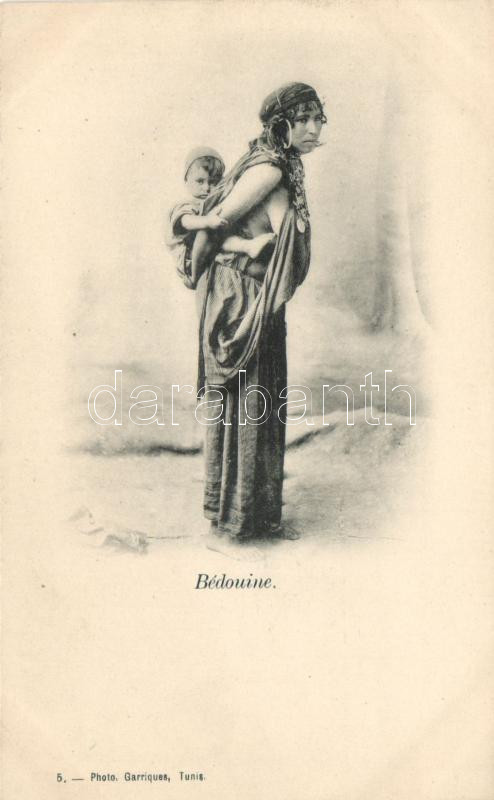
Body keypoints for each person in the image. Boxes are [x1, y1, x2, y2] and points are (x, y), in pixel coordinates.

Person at [190, 82, 326, 547]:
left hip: (263, 302)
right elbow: (215, 223)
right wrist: (194, 271)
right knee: (247, 406)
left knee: (262, 404)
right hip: (243, 303)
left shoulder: (286, 164)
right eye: (304, 119)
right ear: (281, 124)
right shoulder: (268, 170)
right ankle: (232, 524)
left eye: (318, 118)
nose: (314, 128)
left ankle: (259, 517)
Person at [166, 147, 276, 289]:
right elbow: (186, 221)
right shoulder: (186, 204)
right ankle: (248, 247)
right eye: (200, 181)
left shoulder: (209, 201)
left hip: (212, 253)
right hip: (190, 260)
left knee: (233, 253)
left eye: (213, 182)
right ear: (187, 180)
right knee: (217, 236)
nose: (206, 188)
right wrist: (207, 221)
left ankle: (252, 250)